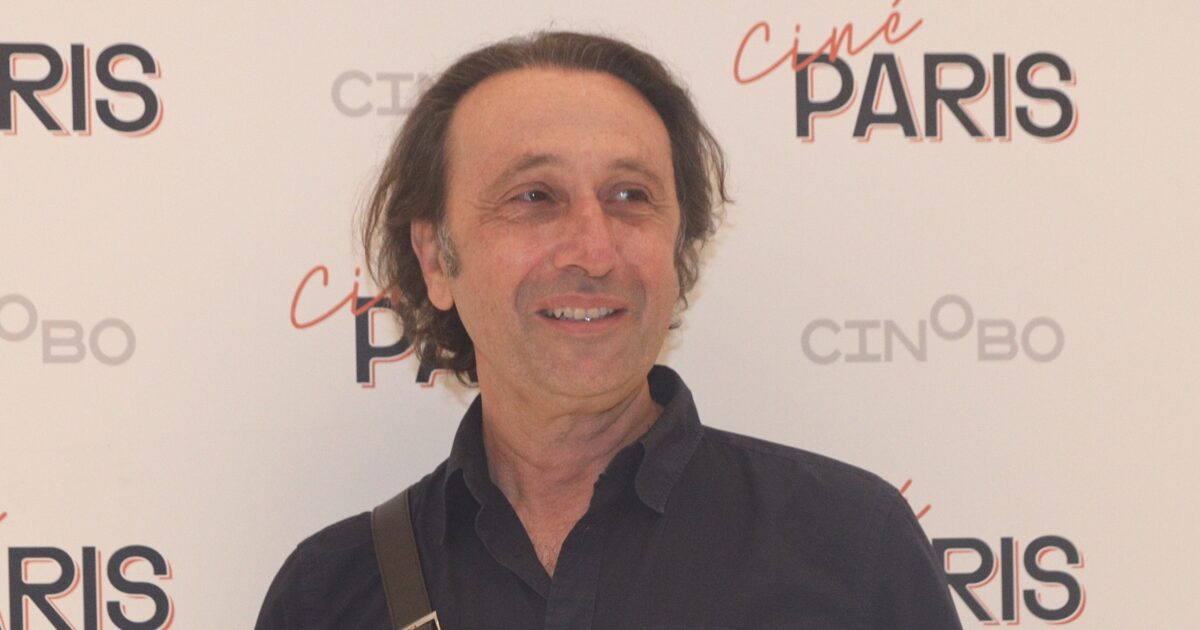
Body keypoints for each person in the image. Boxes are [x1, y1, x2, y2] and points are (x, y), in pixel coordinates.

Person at [256, 31, 962, 629]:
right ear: (436, 258)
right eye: (534, 197)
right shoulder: (331, 596)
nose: (593, 252)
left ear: (679, 247)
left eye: (630, 197)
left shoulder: (851, 548)